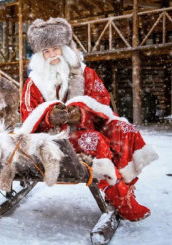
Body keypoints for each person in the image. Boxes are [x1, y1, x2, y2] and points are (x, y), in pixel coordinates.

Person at [20, 18, 159, 221]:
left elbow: (102, 101)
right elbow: (27, 114)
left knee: (124, 130)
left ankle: (123, 186)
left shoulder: (86, 74)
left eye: (55, 49)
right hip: (53, 139)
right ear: (41, 55)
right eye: (46, 51)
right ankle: (122, 199)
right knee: (95, 141)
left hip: (85, 128)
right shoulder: (34, 83)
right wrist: (49, 117)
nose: (52, 55)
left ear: (65, 48)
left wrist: (82, 113)